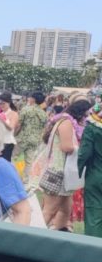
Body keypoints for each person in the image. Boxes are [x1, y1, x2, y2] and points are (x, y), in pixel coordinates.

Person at [37, 98, 91, 231]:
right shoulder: (66, 123)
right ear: (80, 113)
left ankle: (57, 233)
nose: (87, 118)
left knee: (66, 209)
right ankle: (31, 235)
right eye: (86, 114)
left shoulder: (68, 122)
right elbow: (66, 147)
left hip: (64, 172)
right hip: (58, 171)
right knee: (50, 209)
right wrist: (83, 149)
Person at [77, 98, 102, 238]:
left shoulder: (93, 126)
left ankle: (95, 248)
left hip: (97, 175)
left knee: (94, 214)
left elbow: (84, 154)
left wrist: (77, 173)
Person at [14, 90, 47, 173]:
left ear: (33, 99)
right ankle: (26, 178)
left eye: (30, 97)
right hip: (35, 139)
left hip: (23, 138)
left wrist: (14, 134)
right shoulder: (44, 114)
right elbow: (43, 127)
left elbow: (19, 124)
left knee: (14, 157)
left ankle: (14, 175)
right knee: (29, 161)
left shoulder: (26, 109)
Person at [0, 91, 18, 161]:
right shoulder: (0, 114)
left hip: (8, 142)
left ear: (9, 103)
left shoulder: (14, 114)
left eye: (3, 103)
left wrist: (2, 121)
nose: (1, 105)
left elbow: (11, 127)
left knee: (5, 162)